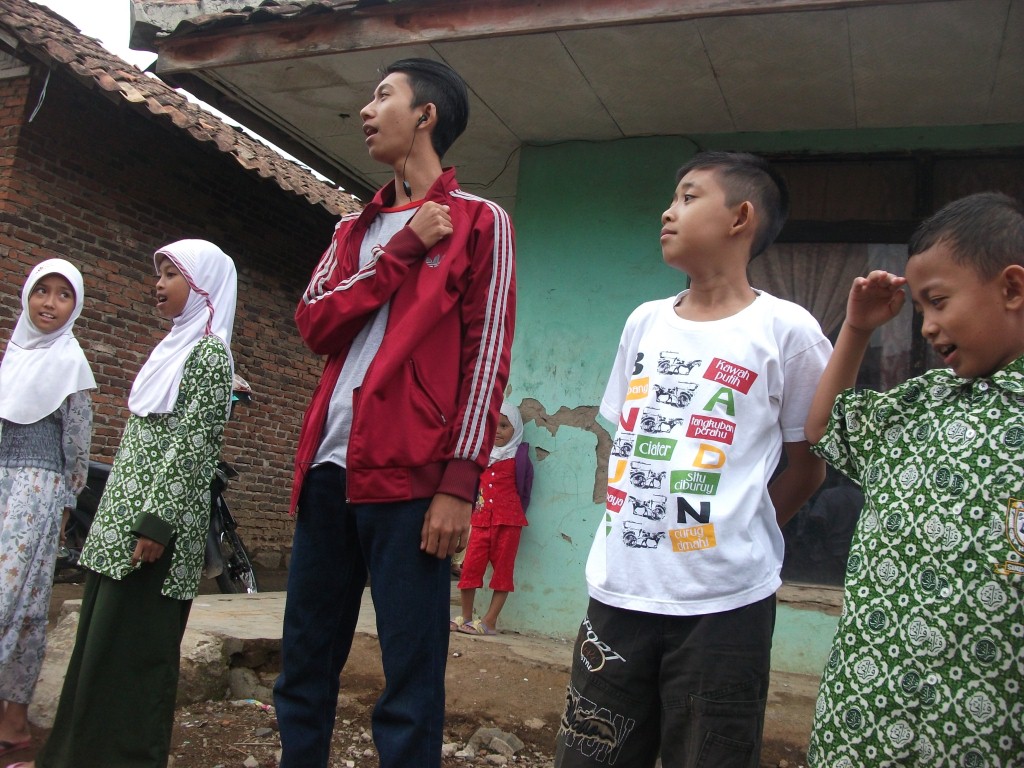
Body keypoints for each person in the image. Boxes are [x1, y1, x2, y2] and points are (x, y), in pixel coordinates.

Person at [273, 58, 516, 768]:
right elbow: (315, 323)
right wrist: (403, 249)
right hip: (326, 473)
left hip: (412, 484)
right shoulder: (354, 231)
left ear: (427, 115)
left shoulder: (481, 222)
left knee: (410, 680)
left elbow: (486, 358)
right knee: (303, 666)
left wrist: (457, 483)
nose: (365, 111)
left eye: (383, 96)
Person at [555, 151, 831, 768]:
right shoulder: (644, 323)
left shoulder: (788, 331)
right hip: (619, 591)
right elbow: (627, 429)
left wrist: (739, 532)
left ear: (741, 217)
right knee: (591, 755)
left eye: (687, 196)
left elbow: (809, 465)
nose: (667, 210)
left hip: (725, 606)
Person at [804, 192, 1024, 767]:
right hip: (866, 711)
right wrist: (855, 328)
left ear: (1012, 288)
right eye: (919, 310)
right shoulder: (922, 404)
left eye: (939, 303)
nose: (926, 327)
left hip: (983, 726)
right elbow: (825, 427)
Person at [19, 239, 236, 768]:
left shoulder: (208, 354)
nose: (158, 285)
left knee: (133, 660)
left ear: (203, 283)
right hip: (121, 531)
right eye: (157, 274)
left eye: (170, 274)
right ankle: (72, 756)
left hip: (152, 539)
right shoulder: (174, 347)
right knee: (99, 653)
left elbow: (193, 446)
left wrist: (156, 526)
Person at [0, 260, 95, 759]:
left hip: (36, 492)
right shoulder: (11, 355)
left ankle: (13, 720)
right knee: (24, 607)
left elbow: (77, 446)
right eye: (42, 291)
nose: (49, 303)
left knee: (13, 600)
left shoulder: (71, 364)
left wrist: (65, 503)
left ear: (74, 306)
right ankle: (11, 725)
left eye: (63, 295)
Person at [452, 400, 534, 635]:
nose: (497, 431)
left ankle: (489, 621)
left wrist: (513, 513)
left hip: (508, 523)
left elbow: (525, 491)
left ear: (515, 429)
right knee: (469, 569)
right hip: (479, 521)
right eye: (492, 425)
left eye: (504, 426)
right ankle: (466, 617)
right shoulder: (481, 457)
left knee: (502, 573)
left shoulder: (519, 459)